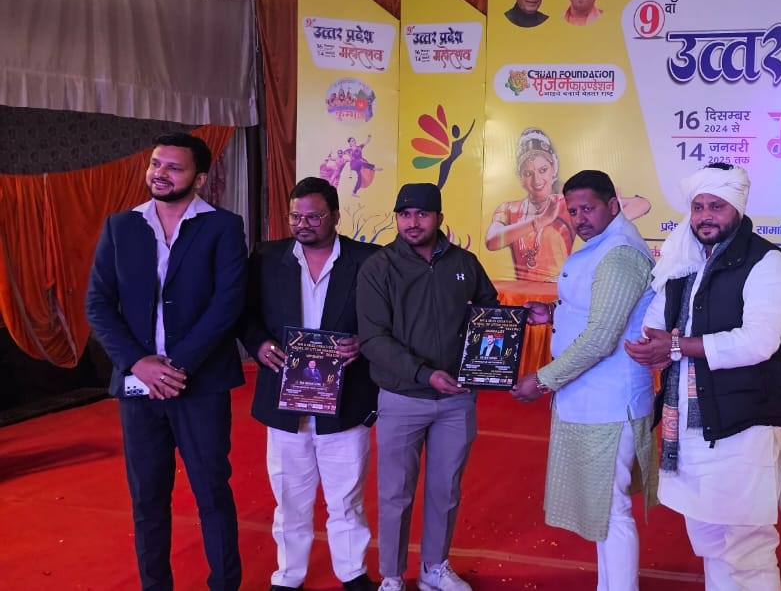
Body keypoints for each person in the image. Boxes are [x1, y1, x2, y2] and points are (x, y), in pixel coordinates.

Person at [623, 163, 781, 590]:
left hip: (741, 424)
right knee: (710, 538)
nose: (705, 216)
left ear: (737, 207)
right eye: (698, 206)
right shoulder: (685, 260)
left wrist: (676, 345)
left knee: (746, 546)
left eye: (716, 206)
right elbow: (657, 321)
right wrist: (651, 345)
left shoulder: (768, 263)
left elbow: (759, 341)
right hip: (687, 423)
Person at [85, 132, 247, 590]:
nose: (160, 173)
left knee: (212, 493)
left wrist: (176, 368)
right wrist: (138, 363)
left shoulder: (223, 226)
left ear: (199, 178)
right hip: (138, 390)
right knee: (147, 499)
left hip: (201, 385)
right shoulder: (121, 226)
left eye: (175, 167)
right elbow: (98, 304)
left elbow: (228, 303)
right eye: (156, 163)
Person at [509, 170, 656, 590]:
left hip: (609, 402)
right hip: (592, 398)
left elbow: (601, 337)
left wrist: (543, 380)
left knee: (612, 511)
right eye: (572, 211)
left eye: (587, 208)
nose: (579, 219)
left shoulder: (620, 253)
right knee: (604, 510)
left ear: (613, 204)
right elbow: (596, 309)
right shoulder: (603, 246)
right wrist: (553, 313)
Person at [238, 177, 381, 591]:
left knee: (346, 500)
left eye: (314, 217)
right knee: (290, 500)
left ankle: (352, 574)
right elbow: (244, 313)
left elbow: (387, 318)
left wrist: (364, 342)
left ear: (335, 215)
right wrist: (259, 344)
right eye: (295, 217)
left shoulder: (368, 260)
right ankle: (288, 577)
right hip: (284, 402)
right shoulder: (267, 257)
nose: (303, 224)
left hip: (346, 401)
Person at [357, 183, 499, 591]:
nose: (412, 222)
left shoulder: (465, 263)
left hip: (457, 400)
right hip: (401, 397)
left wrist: (511, 330)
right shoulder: (379, 267)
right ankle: (391, 575)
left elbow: (490, 316)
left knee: (445, 490)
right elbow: (373, 339)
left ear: (439, 218)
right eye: (404, 215)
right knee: (394, 493)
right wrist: (424, 373)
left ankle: (434, 567)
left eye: (422, 214)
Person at [486, 127, 651, 282]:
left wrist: (608, 221)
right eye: (528, 173)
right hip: (520, 296)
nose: (537, 180)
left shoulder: (567, 204)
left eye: (543, 170)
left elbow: (642, 204)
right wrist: (539, 221)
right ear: (520, 176)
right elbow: (492, 241)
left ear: (554, 169)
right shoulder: (508, 209)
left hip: (560, 292)